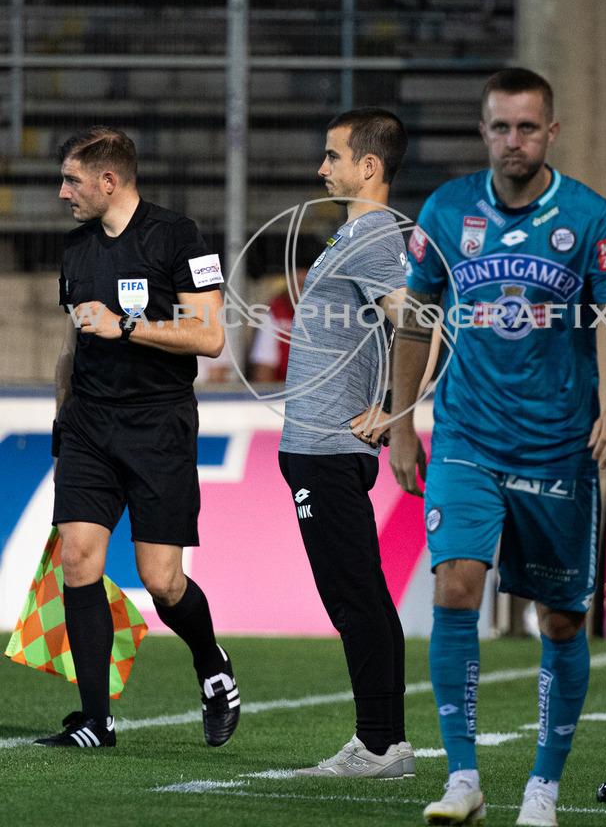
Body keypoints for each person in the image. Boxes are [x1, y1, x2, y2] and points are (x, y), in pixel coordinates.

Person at [389, 69, 606, 825]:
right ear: (483, 131)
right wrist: (403, 419)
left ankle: (543, 788)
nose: (513, 141)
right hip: (467, 434)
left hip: (560, 445)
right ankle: (462, 780)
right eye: (500, 127)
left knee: (560, 621)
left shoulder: (590, 217)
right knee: (456, 586)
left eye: (527, 128)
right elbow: (414, 316)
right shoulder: (447, 209)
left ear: (551, 133)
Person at [36, 126, 240, 749]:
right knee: (77, 559)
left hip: (158, 427)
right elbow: (73, 344)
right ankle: (96, 720)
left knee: (162, 582)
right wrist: (60, 417)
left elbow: (210, 337)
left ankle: (212, 664)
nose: (62, 191)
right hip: (89, 426)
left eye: (72, 179)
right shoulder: (75, 248)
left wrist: (126, 326)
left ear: (108, 180)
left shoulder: (179, 237)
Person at [278, 107, 414, 778]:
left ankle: (380, 745)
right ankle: (385, 742)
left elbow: (418, 320)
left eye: (333, 156)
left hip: (329, 447)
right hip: (325, 445)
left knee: (353, 596)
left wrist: (394, 407)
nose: (321, 169)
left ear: (369, 166)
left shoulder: (370, 236)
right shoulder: (358, 235)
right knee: (363, 593)